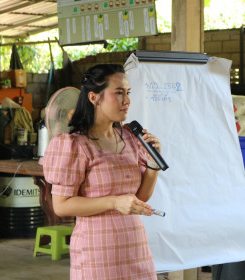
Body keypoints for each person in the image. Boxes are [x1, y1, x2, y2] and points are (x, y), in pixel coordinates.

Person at [41, 64, 162, 280]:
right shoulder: (75, 144)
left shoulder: (131, 138)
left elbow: (139, 199)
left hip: (135, 247)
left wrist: (153, 164)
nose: (127, 101)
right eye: (118, 93)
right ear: (94, 98)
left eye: (128, 93)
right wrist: (114, 202)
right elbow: (61, 205)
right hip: (97, 252)